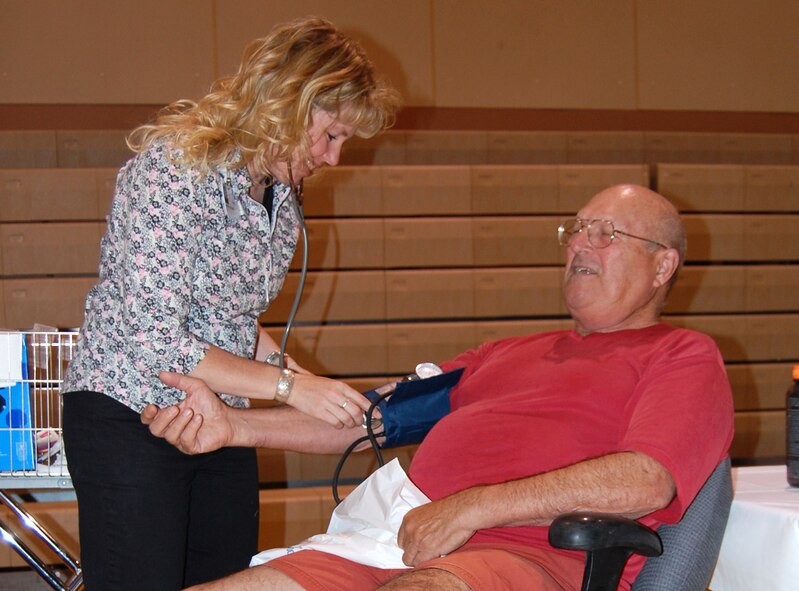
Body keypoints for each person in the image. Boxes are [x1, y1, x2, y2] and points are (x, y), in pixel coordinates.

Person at [142, 184, 734, 591]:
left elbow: (645, 480)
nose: (580, 243)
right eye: (576, 230)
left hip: (527, 559)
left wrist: (474, 506)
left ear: (663, 266)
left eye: (608, 234)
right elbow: (367, 418)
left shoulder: (682, 355)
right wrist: (236, 426)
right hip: (395, 542)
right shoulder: (499, 356)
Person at [61, 16, 400, 591]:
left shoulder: (280, 200)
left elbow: (235, 321)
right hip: (130, 415)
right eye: (332, 135)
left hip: (218, 422)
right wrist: (294, 391)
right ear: (290, 103)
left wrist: (297, 375)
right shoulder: (174, 168)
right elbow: (155, 336)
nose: (335, 157)